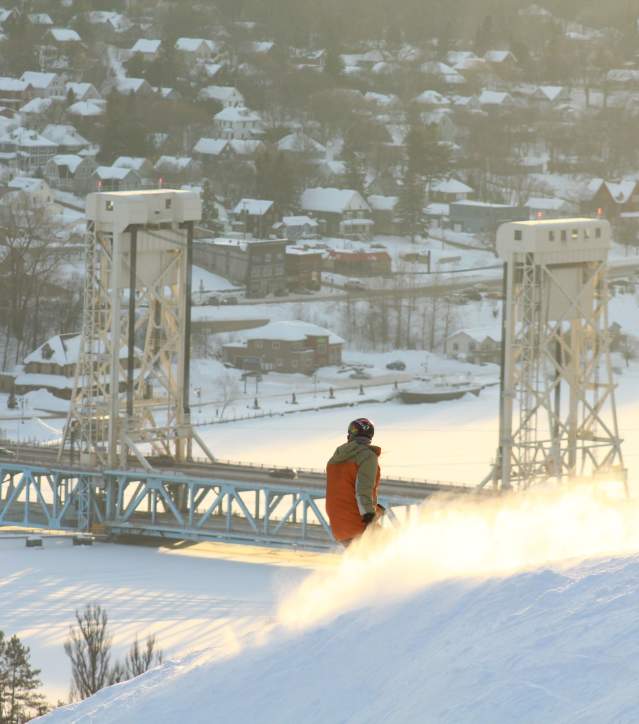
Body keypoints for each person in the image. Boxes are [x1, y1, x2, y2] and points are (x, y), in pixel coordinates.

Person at [325, 417, 384, 547]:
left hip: (338, 527)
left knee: (362, 562)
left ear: (350, 435)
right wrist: (369, 515)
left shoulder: (334, 460)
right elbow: (362, 490)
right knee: (392, 547)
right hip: (357, 524)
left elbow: (343, 491)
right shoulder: (367, 456)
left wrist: (377, 509)